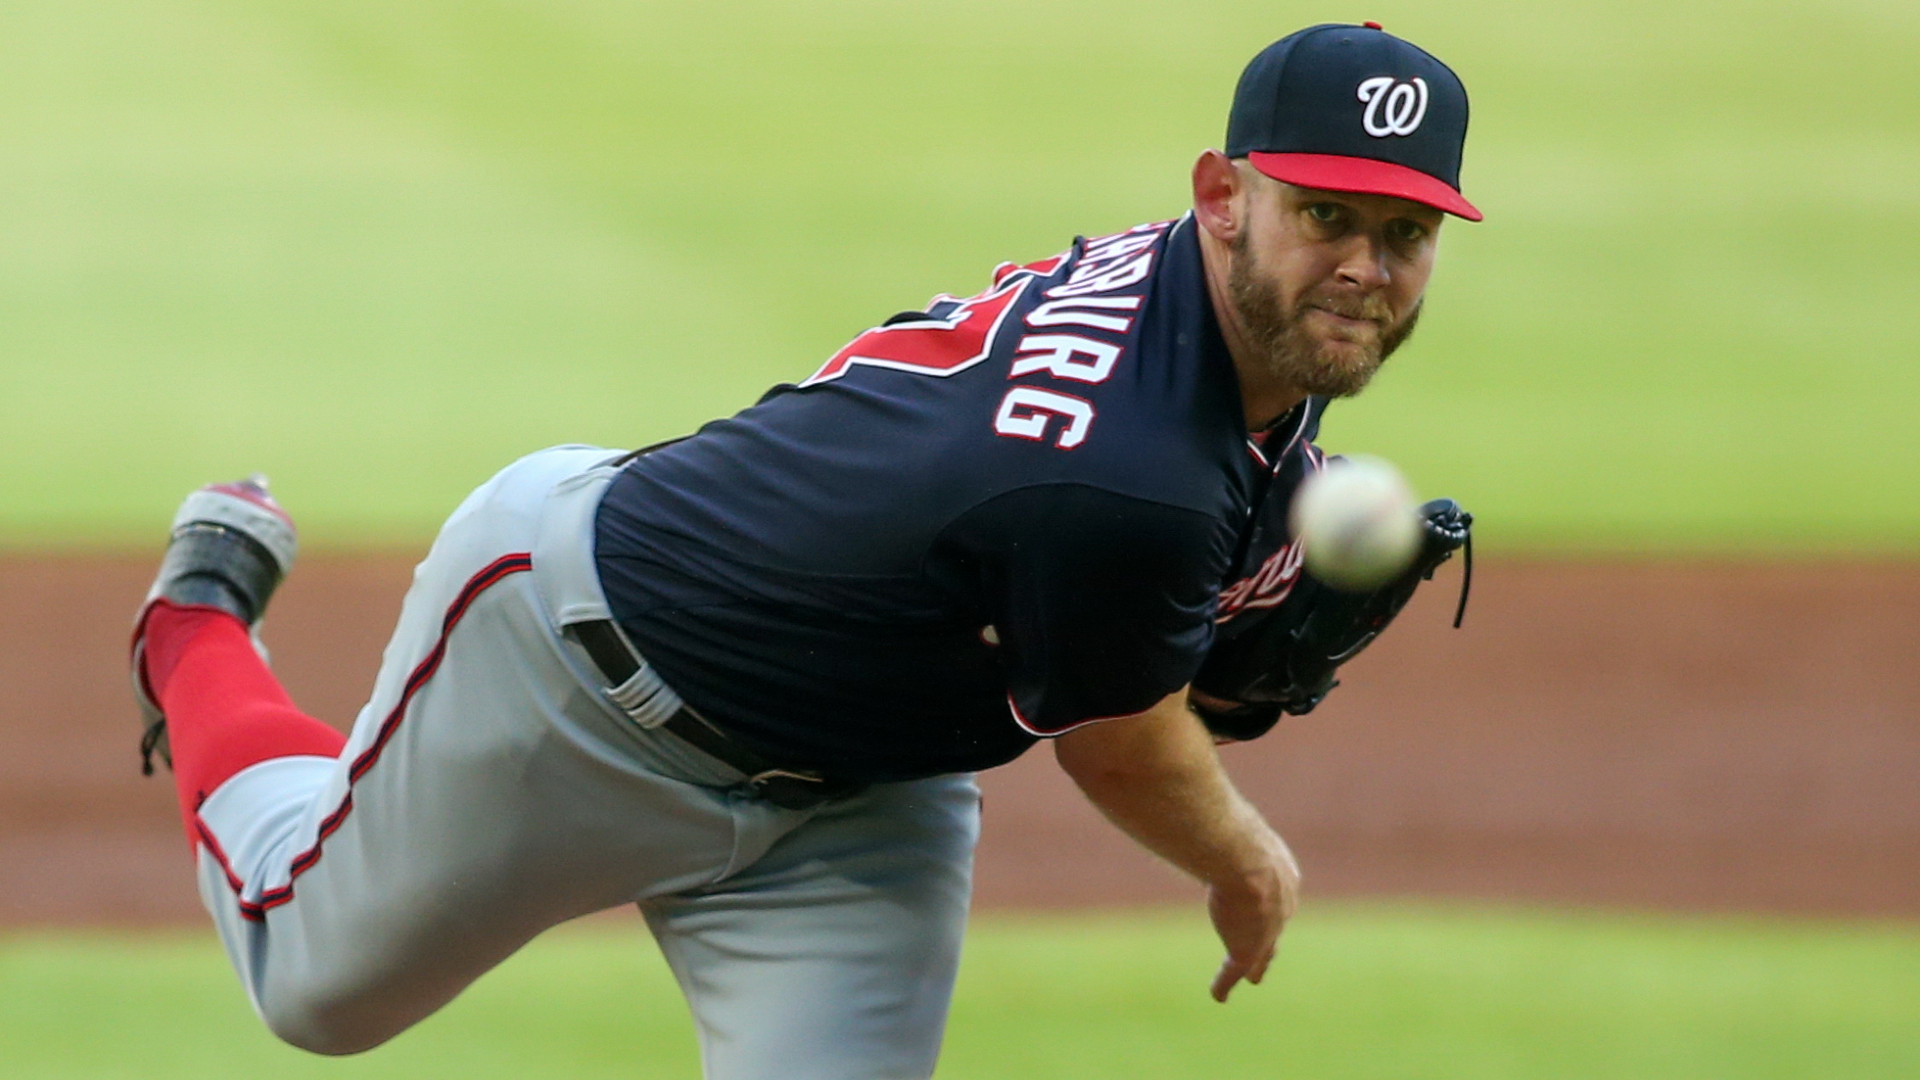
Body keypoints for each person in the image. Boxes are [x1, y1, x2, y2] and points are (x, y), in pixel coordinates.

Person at [128, 22, 1479, 1079]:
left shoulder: (1221, 327)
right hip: (577, 669)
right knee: (313, 989)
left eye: (1404, 235)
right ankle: (194, 618)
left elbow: (1151, 626)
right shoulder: (1132, 487)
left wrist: (1227, 614)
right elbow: (1119, 740)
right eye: (1328, 217)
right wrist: (1246, 859)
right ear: (1225, 195)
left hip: (863, 789)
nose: (1364, 267)